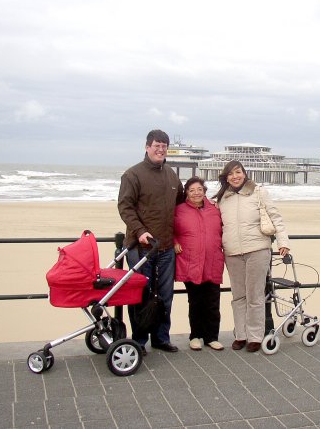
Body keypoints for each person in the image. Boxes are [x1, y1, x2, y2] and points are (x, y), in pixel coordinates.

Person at [118, 129, 185, 354]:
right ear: (147, 147)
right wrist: (139, 231)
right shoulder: (132, 175)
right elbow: (125, 207)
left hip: (166, 248)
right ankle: (138, 341)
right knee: (140, 295)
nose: (160, 149)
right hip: (140, 247)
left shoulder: (172, 175)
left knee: (165, 295)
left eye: (164, 146)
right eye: (156, 145)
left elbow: (183, 203)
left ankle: (160, 338)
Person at [214, 160, 290, 352]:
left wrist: (283, 243)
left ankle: (255, 336)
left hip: (257, 250)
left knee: (255, 295)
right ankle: (241, 334)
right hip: (231, 253)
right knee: (238, 296)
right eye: (230, 174)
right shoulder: (224, 197)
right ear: (226, 177)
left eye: (238, 172)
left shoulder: (258, 192)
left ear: (244, 173)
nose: (235, 176)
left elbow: (276, 218)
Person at [173, 176, 225, 351]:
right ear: (186, 193)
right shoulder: (179, 210)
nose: (196, 193)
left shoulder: (215, 209)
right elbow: (169, 229)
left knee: (212, 301)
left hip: (212, 261)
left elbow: (227, 228)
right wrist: (174, 242)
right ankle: (195, 336)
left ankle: (212, 337)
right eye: (192, 190)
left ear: (204, 192)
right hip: (191, 262)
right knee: (195, 301)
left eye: (199, 190)